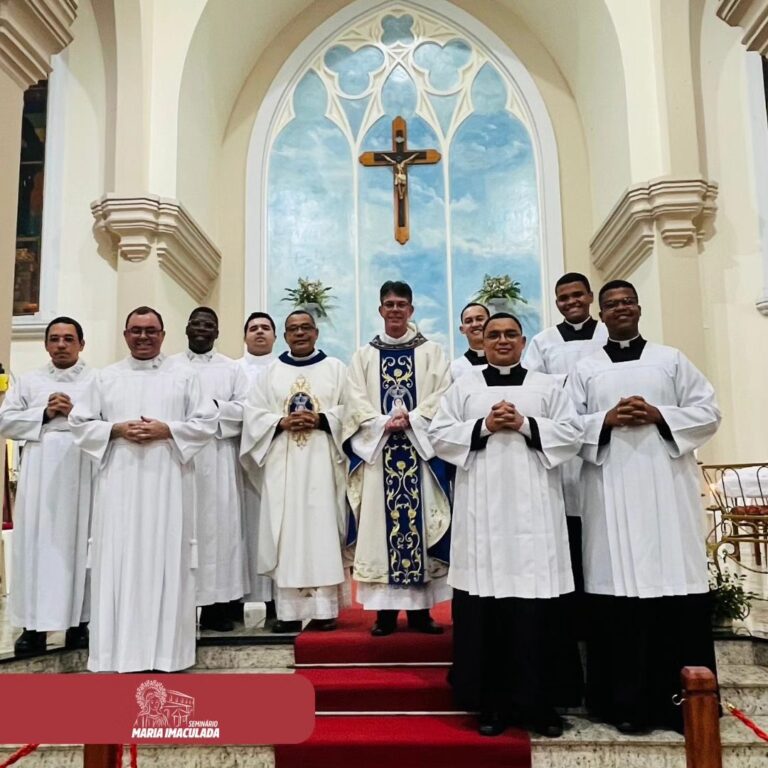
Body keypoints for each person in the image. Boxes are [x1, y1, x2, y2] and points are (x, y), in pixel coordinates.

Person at [566, 280, 721, 734]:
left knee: (674, 592)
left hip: (665, 494)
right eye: (610, 305)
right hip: (609, 492)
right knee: (618, 600)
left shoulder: (671, 360)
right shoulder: (586, 369)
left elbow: (708, 411)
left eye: (625, 302)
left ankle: (683, 708)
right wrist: (606, 420)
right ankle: (624, 706)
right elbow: (566, 426)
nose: (619, 310)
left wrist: (660, 415)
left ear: (638, 307)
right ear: (602, 312)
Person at [430, 313, 582, 738]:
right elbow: (440, 435)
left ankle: (541, 704)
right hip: (483, 517)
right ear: (481, 339)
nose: (500, 341)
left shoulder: (548, 386)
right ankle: (490, 704)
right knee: (487, 609)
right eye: (493, 334)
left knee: (539, 610)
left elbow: (572, 434)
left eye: (509, 334)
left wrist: (525, 424)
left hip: (537, 515)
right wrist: (483, 426)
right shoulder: (463, 388)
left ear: (522, 341)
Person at [70, 306, 216, 672]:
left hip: (168, 481)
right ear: (125, 335)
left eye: (151, 331)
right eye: (136, 331)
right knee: (118, 560)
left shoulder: (184, 376)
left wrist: (168, 430)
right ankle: (115, 653)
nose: (143, 337)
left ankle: (168, 655)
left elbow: (206, 421)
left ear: (163, 335)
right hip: (119, 485)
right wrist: (115, 430)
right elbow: (80, 423)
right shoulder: (105, 378)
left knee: (168, 559)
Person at [344, 281, 452, 636]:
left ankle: (421, 614)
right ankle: (384, 615)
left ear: (411, 310)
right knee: (379, 530)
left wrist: (414, 418)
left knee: (419, 531)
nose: (394, 310)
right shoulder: (364, 356)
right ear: (380, 310)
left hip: (418, 454)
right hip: (380, 452)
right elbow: (354, 398)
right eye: (388, 304)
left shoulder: (432, 352)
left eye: (401, 304)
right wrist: (381, 423)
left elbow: (443, 392)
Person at [241, 311, 348, 633]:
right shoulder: (270, 373)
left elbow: (352, 412)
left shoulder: (336, 370)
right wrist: (280, 422)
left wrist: (324, 419)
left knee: (322, 529)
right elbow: (253, 416)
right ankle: (288, 612)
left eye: (305, 328)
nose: (300, 334)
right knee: (286, 531)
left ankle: (324, 609)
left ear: (316, 333)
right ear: (285, 336)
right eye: (293, 329)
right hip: (283, 466)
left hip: (323, 464)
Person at [0, 317, 94, 657]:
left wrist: (73, 413)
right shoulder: (28, 381)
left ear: (81, 344)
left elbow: (106, 420)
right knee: (36, 545)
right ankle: (33, 627)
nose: (61, 345)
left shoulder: (97, 380)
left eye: (69, 339)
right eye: (54, 339)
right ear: (46, 345)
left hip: (83, 466)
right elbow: (5, 420)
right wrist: (42, 413)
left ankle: (79, 623)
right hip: (39, 469)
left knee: (81, 546)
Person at [168, 307, 250, 632]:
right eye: (196, 323)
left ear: (217, 333)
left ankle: (218, 606)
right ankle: (181, 608)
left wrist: (212, 410)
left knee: (220, 532)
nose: (202, 329)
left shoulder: (232, 369)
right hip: (180, 459)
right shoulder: (169, 366)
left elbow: (246, 409)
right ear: (186, 328)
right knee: (183, 529)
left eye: (209, 325)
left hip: (218, 457)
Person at [237, 311, 278, 624]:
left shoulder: (284, 369)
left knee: (276, 532)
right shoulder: (233, 370)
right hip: (238, 462)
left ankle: (279, 605)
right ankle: (236, 601)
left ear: (275, 337)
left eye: (266, 328)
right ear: (245, 336)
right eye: (253, 328)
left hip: (277, 460)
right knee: (241, 533)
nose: (260, 333)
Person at [450, 302, 489, 380]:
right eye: (468, 321)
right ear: (462, 329)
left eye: (480, 319)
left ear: (490, 324)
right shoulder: (453, 369)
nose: (474, 324)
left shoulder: (506, 364)